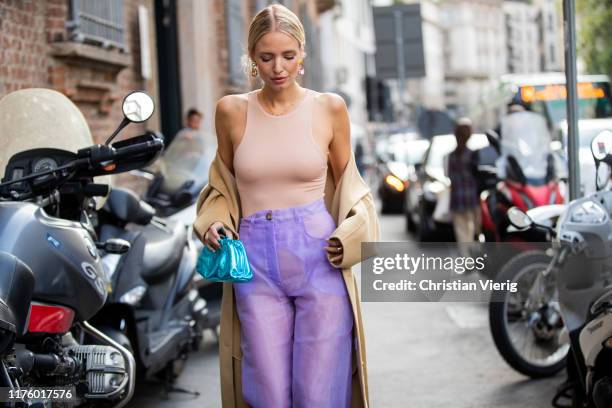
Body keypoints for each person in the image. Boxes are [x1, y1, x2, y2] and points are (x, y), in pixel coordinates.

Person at [193, 4, 379, 408]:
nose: (278, 67)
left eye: (288, 56)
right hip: (255, 264)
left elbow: (352, 188)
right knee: (269, 395)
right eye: (266, 57)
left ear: (302, 55)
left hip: (319, 257)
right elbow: (221, 188)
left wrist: (348, 234)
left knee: (317, 394)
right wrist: (214, 224)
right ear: (252, 58)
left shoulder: (329, 108)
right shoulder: (231, 111)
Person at [445, 118, 481, 244]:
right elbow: (478, 175)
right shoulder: (473, 154)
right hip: (471, 197)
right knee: (471, 229)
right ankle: (469, 258)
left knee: (461, 232)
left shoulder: (452, 155)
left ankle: (466, 258)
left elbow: (449, 175)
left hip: (457, 197)